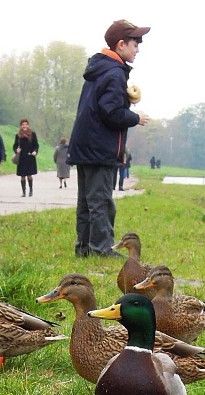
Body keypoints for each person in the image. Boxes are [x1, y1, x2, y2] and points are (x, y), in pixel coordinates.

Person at [68, 20, 150, 257]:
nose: (138, 49)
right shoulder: (114, 73)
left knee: (86, 202)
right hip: (99, 148)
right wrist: (135, 117)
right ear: (121, 44)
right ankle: (102, 249)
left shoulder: (100, 69)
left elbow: (103, 106)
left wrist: (125, 101)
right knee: (101, 202)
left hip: (85, 146)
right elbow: (111, 113)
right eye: (135, 43)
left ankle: (83, 248)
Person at [13, 118, 38, 197]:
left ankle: (31, 190)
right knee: (22, 176)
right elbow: (15, 145)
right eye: (23, 124)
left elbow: (36, 145)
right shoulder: (18, 135)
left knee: (29, 175)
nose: (24, 126)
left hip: (30, 157)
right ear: (21, 126)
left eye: (26, 124)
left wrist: (35, 151)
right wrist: (16, 150)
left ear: (28, 125)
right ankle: (23, 192)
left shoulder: (32, 134)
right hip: (22, 157)